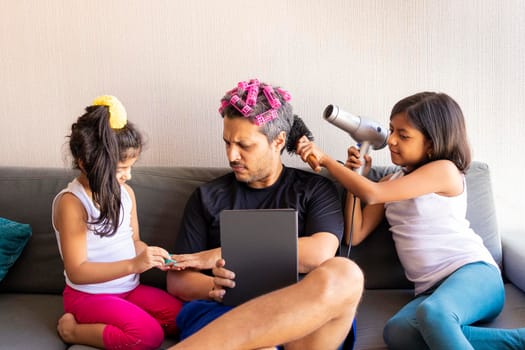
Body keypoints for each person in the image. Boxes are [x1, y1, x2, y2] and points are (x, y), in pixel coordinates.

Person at [297, 91, 525, 350]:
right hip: (431, 292)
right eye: (392, 129)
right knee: (398, 332)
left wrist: (327, 160)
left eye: (403, 135)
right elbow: (355, 234)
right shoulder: (390, 183)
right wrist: (355, 176)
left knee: (435, 315)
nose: (391, 140)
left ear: (431, 142)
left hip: (474, 274)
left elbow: (372, 195)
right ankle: (517, 341)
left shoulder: (445, 171)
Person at [165, 79, 364, 350]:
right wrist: (214, 285)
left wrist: (220, 254)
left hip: (300, 311)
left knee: (347, 273)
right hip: (227, 312)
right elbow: (177, 278)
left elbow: (319, 253)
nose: (232, 155)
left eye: (244, 145)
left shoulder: (315, 189)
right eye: (227, 143)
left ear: (279, 141)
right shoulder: (207, 197)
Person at [52, 95, 183, 350]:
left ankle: (120, 317)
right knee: (148, 336)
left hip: (128, 289)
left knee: (183, 318)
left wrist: (154, 256)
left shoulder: (126, 194)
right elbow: (78, 271)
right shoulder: (73, 203)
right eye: (120, 169)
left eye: (131, 166)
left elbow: (133, 242)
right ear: (85, 163)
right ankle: (74, 332)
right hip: (87, 296)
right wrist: (134, 264)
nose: (128, 175)